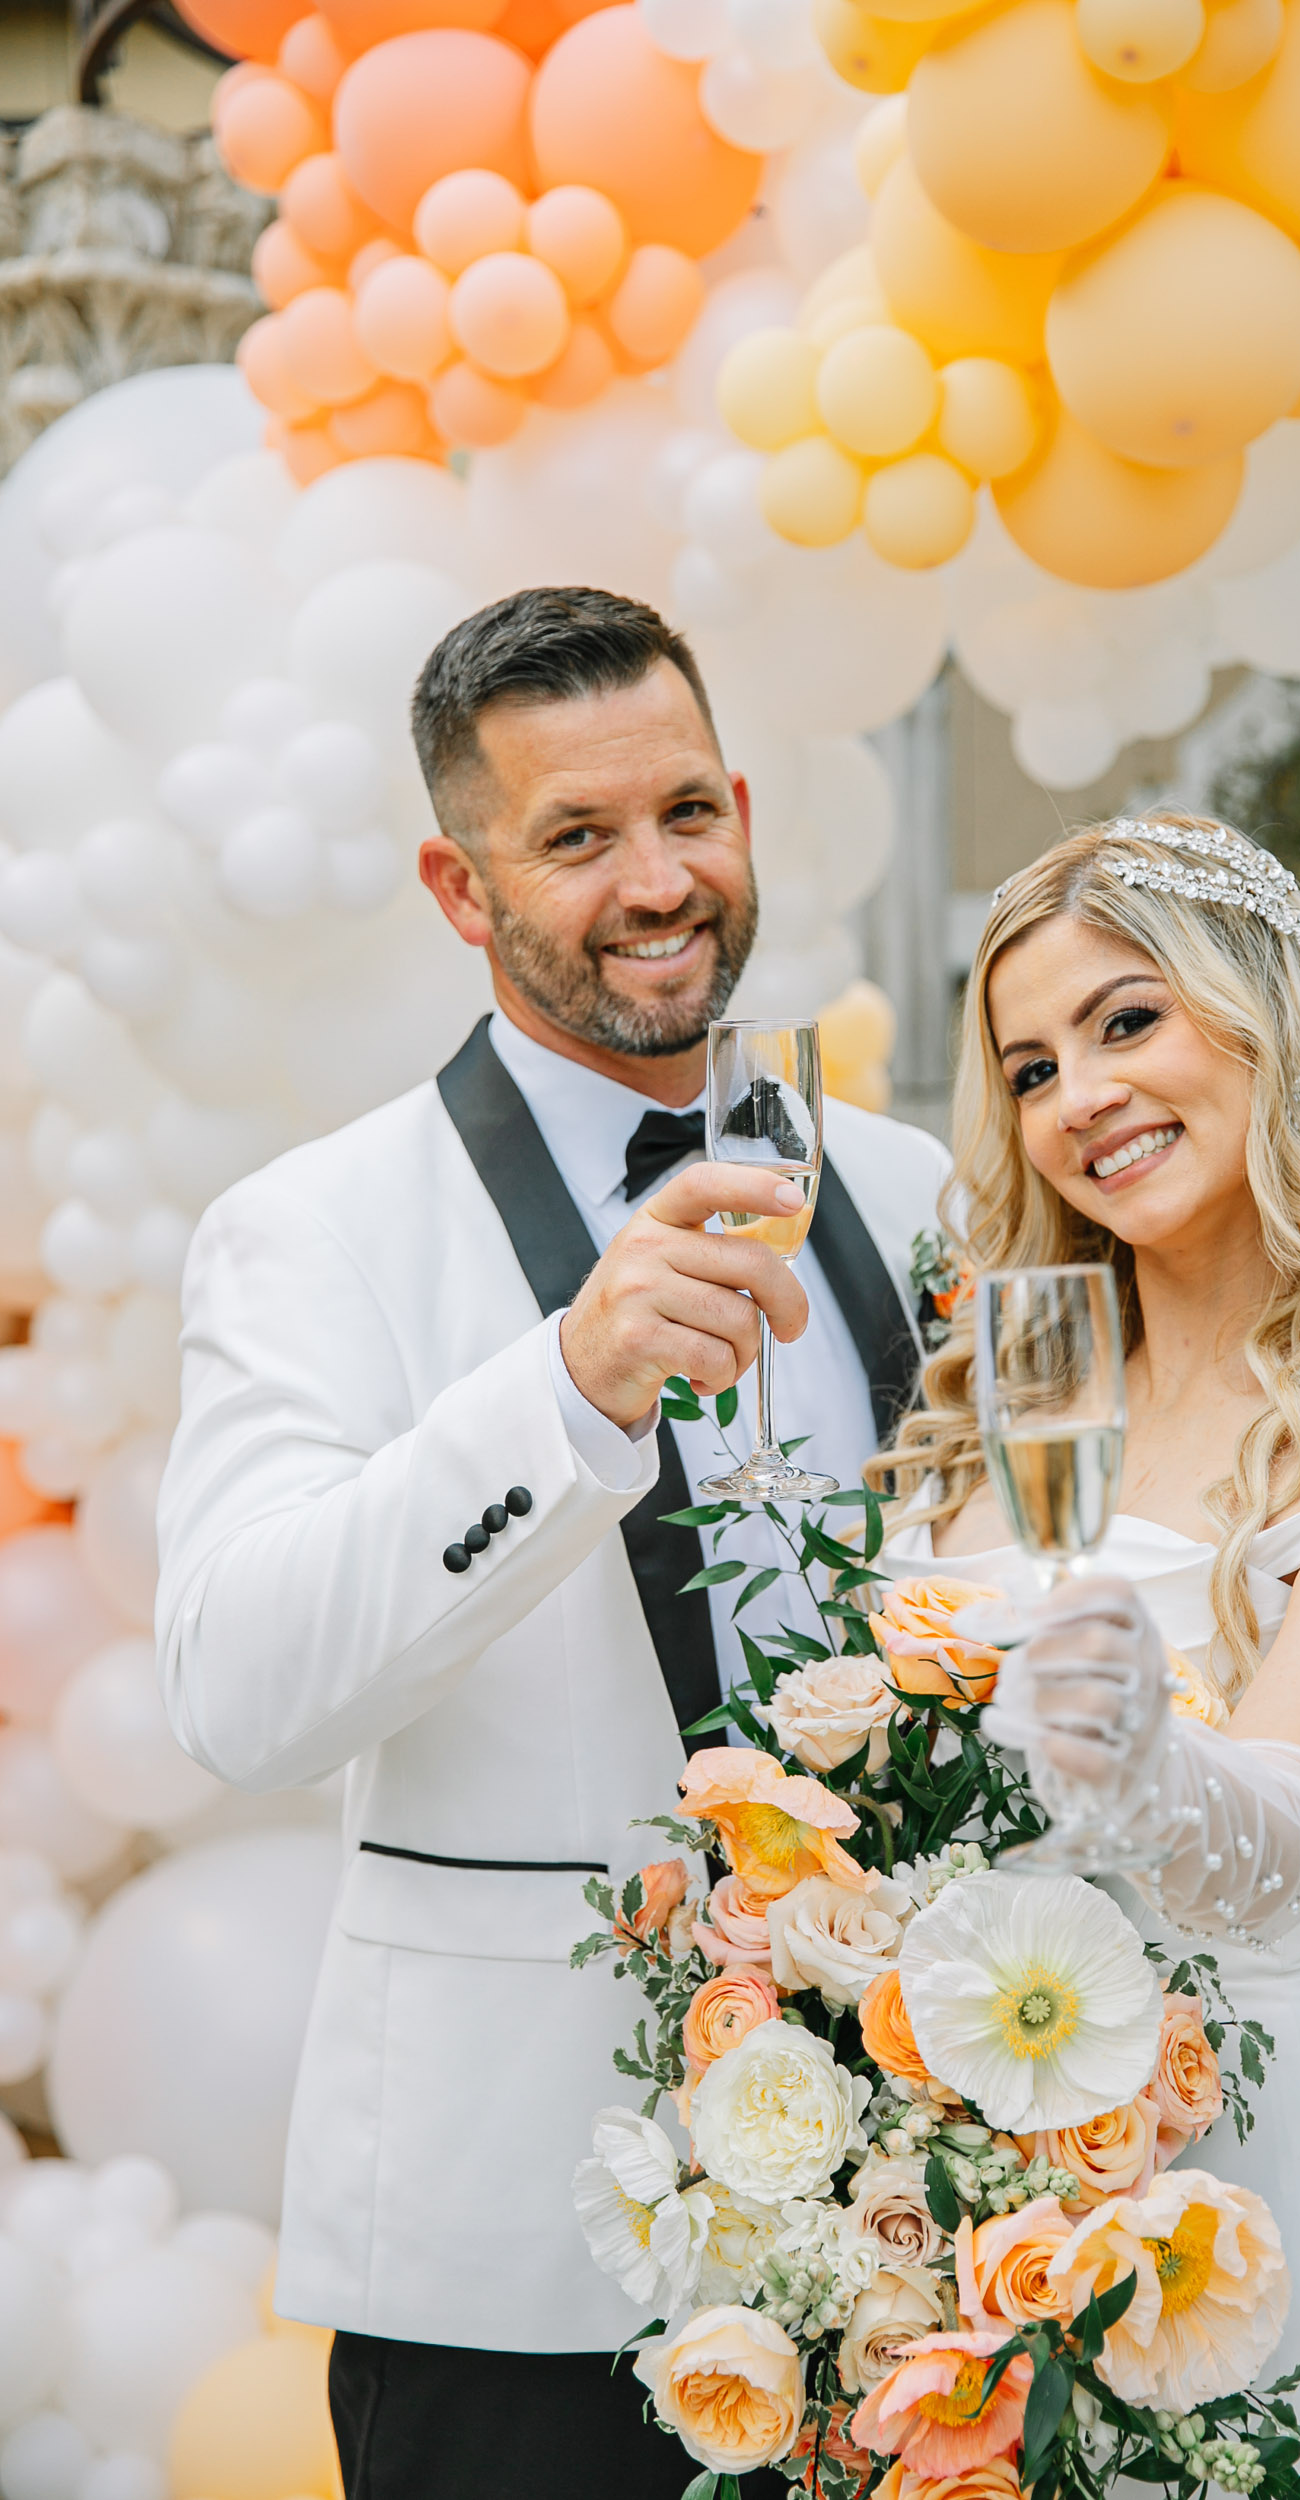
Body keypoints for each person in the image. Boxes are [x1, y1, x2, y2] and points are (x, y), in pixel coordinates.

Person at [154, 587, 949, 2498]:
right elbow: (237, 1695)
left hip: (909, 2237)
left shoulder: (913, 1185)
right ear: (462, 886)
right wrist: (566, 1394)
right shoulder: (312, 1228)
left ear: (744, 811)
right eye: (577, 837)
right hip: (513, 2249)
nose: (656, 882)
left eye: (686, 812)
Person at [872, 816, 1300, 2497]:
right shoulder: (1017, 1390)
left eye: (1127, 1021)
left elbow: (1281, 1844)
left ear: (1263, 1017)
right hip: (980, 2192)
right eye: (1031, 1069)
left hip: (1262, 2176)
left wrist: (1138, 1754)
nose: (1080, 1097)